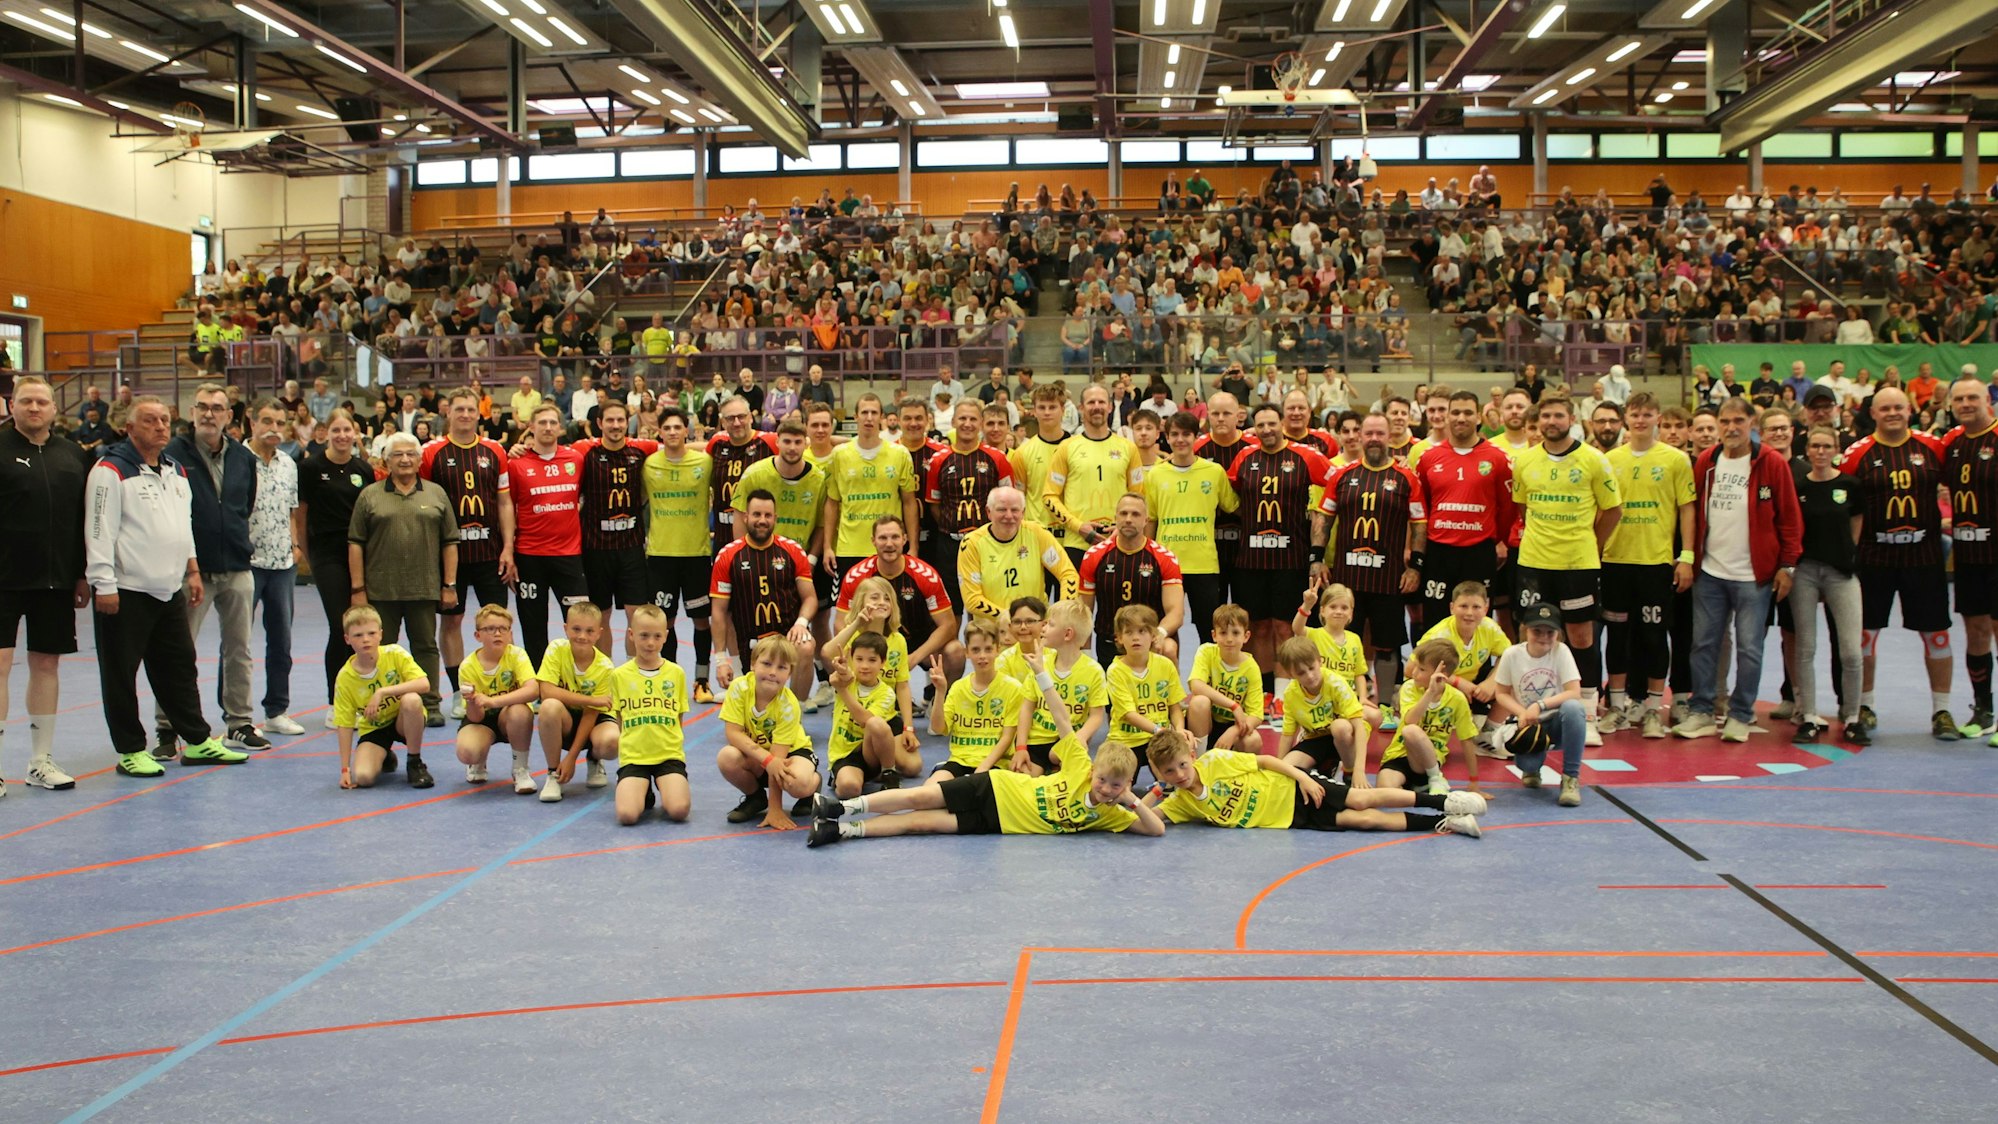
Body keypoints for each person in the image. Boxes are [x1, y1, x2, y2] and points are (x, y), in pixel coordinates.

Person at [804, 644, 1165, 846]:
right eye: (1103, 780)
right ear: (1094, 769)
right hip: (996, 788)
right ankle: (843, 807)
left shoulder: (1113, 813)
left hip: (997, 823)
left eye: (1115, 786)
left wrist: (1130, 799)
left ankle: (841, 830)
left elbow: (1155, 829)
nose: (1105, 789)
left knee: (922, 823)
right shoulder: (1079, 766)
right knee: (918, 797)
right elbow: (1061, 717)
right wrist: (1041, 674)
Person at [86, 396, 250, 777]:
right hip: (125, 590)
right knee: (120, 673)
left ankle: (196, 741)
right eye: (149, 421)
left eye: (164, 419)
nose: (160, 427)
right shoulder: (110, 470)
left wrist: (192, 569)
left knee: (179, 668)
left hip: (169, 589)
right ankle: (130, 749)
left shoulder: (176, 470)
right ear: (129, 428)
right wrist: (103, 584)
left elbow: (183, 526)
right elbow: (98, 531)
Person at [1673, 397, 1803, 742]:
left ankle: (1741, 714)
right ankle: (1701, 710)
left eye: (1738, 422)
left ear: (1752, 424)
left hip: (1754, 576)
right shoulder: (1706, 461)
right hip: (1711, 572)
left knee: (1750, 648)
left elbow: (1790, 519)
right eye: (1725, 422)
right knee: (1703, 644)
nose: (1731, 428)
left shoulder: (1772, 463)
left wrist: (1787, 565)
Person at [153, 383, 268, 755]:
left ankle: (240, 724)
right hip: (190, 571)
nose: (209, 414)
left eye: (217, 408)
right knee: (177, 651)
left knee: (240, 649)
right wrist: (189, 567)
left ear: (229, 416)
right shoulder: (172, 454)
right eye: (202, 407)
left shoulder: (243, 458)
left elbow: (242, 507)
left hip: (236, 565)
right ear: (191, 412)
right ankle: (168, 731)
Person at [1837, 386, 1957, 741]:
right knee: (1865, 636)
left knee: (1936, 635)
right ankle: (1866, 705)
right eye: (1884, 408)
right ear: (1872, 413)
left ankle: (1942, 710)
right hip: (1875, 558)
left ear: (1910, 410)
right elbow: (1843, 510)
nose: (1892, 413)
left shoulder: (1932, 447)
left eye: (1898, 407)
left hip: (1924, 555)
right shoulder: (1856, 454)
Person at [1510, 394, 1620, 745]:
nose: (1551, 421)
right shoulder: (1525, 461)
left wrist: (1590, 544)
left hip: (1578, 564)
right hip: (1534, 563)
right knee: (1531, 636)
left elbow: (1613, 511)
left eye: (1559, 415)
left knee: (1581, 637)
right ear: (1538, 420)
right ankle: (1527, 712)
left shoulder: (1593, 460)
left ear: (1572, 418)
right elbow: (1524, 509)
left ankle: (1586, 714)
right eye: (1546, 416)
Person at [0, 375, 92, 791]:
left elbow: (81, 520)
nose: (33, 408)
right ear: (11, 407)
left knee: (46, 665)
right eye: (25, 402)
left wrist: (81, 572)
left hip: (55, 580)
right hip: (3, 579)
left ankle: (40, 761)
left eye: (41, 402)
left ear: (54, 409)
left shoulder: (72, 455)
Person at [1144, 729, 1486, 837]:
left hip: (1293, 787)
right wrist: (1152, 792)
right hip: (1291, 818)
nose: (1180, 775)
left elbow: (1266, 760)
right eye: (1170, 772)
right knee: (1364, 820)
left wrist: (1302, 777)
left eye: (1182, 765)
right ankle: (1444, 823)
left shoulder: (1216, 761)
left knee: (1362, 800)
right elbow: (1147, 819)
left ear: (1192, 756)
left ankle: (1446, 802)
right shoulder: (1179, 802)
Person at [348, 432, 460, 730]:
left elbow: (450, 541)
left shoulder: (436, 493)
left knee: (425, 646)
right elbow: (355, 543)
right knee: (379, 649)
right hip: (380, 589)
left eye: (411, 453)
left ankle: (430, 702)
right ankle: (379, 706)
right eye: (398, 454)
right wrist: (358, 589)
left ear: (420, 459)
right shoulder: (369, 495)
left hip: (423, 587)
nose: (405, 459)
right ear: (386, 460)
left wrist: (449, 584)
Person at [1598, 392, 1695, 739]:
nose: (1641, 420)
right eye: (1635, 414)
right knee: (1618, 637)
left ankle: (1654, 709)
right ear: (1626, 417)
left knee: (1655, 637)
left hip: (1656, 562)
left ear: (1657, 417)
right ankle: (1618, 707)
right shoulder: (1610, 459)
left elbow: (1687, 508)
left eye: (1647, 414)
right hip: (1615, 562)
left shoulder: (1676, 459)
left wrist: (1686, 557)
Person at [1230, 401, 1335, 700]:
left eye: (1272, 424)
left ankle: (1284, 694)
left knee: (1285, 627)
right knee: (1259, 627)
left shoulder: (1306, 456)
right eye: (1260, 425)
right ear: (1254, 428)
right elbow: (1230, 492)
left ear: (1282, 425)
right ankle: (1263, 693)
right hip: (1250, 560)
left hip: (1291, 558)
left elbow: (1337, 481)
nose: (1266, 430)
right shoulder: (1245, 457)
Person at [1319, 413, 1426, 706]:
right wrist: (1316, 559)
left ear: (1390, 435)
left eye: (1380, 433)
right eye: (1369, 433)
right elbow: (1324, 519)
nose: (1374, 438)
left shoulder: (1406, 478)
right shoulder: (1342, 475)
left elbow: (1419, 525)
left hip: (1389, 576)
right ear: (1361, 438)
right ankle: (1342, 700)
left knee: (1387, 644)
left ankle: (1386, 705)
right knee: (1341, 642)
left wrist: (1415, 566)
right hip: (1347, 579)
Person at [421, 389, 515, 721]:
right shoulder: (431, 453)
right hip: (450, 556)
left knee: (499, 622)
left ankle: (504, 689)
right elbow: (423, 506)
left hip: (490, 553)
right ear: (448, 412)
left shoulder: (495, 450)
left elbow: (505, 502)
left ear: (479, 414)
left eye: (470, 409)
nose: (464, 414)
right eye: (458, 408)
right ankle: (461, 694)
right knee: (452, 621)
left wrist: (508, 547)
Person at [1409, 390, 1512, 636]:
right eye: (1455, 412)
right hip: (1439, 552)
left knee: (1475, 622)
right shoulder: (1429, 458)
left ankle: (1478, 675)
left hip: (1479, 553)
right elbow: (1421, 508)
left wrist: (1498, 540)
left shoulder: (1498, 459)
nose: (1461, 418)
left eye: (1468, 412)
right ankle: (1433, 673)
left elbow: (1507, 507)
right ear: (1446, 417)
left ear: (1479, 417)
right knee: (1435, 621)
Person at [1787, 425, 1865, 745]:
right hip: (1805, 571)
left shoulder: (1849, 485)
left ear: (1836, 449)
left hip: (1841, 573)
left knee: (1850, 651)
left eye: (1826, 446)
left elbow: (1856, 522)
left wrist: (1848, 552)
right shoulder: (1799, 486)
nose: (1820, 451)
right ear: (1808, 450)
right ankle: (1808, 715)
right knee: (1805, 648)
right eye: (1815, 446)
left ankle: (1852, 716)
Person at [300, 411, 380, 718]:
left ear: (356, 433)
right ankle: (337, 703)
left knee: (361, 627)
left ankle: (361, 698)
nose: (342, 435)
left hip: (359, 551)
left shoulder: (363, 469)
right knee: (341, 626)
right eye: (336, 430)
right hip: (326, 552)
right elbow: (302, 513)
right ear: (326, 432)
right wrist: (306, 551)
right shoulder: (310, 467)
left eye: (348, 429)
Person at [568, 399, 657, 662]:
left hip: (631, 547)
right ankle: (605, 674)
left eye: (620, 420)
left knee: (637, 614)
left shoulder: (641, 450)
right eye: (610, 420)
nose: (616, 425)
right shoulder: (584, 452)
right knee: (600, 616)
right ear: (599, 423)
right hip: (596, 548)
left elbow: (678, 448)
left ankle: (633, 674)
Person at [586, 603, 691, 825]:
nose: (650, 643)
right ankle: (644, 790)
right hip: (635, 756)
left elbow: (678, 719)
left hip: (668, 755)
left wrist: (670, 745)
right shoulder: (619, 675)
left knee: (679, 810)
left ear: (666, 637)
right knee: (627, 816)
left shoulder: (676, 673)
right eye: (643, 636)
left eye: (656, 636)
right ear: (631, 635)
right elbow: (620, 720)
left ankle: (664, 784)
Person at [710, 489, 819, 699]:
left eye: (768, 515)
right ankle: (745, 684)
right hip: (750, 642)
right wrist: (721, 660)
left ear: (775, 518)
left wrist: (801, 623)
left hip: (787, 635)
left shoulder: (792, 550)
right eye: (757, 514)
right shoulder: (728, 555)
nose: (762, 520)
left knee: (806, 646)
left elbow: (810, 598)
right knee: (757, 714)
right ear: (746, 517)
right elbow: (719, 611)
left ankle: (796, 709)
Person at [642, 407, 719, 700]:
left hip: (696, 554)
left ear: (686, 430)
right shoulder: (649, 465)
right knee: (666, 622)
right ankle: (670, 680)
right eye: (668, 428)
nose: (673, 432)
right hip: (661, 555)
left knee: (701, 620)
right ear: (659, 432)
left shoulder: (705, 462)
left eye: (678, 427)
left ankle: (701, 681)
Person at [1145, 411, 1240, 645]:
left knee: (1208, 630)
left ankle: (1207, 679)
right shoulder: (1155, 475)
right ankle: (1170, 679)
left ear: (1196, 437)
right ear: (1166, 437)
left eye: (1186, 434)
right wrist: (1147, 558)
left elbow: (1234, 506)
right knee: (1164, 630)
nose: (1180, 440)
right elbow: (1151, 520)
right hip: (1166, 565)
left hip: (1204, 563)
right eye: (1174, 434)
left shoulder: (1214, 472)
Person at [506, 403, 589, 663]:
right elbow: (507, 506)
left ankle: (577, 684)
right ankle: (539, 688)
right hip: (529, 556)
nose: (548, 427)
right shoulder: (516, 464)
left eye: (553, 422)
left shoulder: (575, 458)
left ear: (561, 428)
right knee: (533, 628)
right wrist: (508, 550)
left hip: (569, 556)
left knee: (580, 624)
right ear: (531, 427)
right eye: (542, 423)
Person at [245, 398, 307, 737]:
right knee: (238, 643)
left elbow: (292, 510)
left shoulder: (288, 463)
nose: (273, 427)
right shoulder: (239, 460)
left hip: (283, 563)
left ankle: (276, 710)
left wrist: (296, 546)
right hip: (247, 564)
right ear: (252, 423)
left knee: (280, 641)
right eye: (266, 420)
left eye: (279, 422)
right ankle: (235, 717)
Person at [717, 634, 823, 826]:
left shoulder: (789, 705)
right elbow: (733, 733)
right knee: (727, 757)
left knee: (797, 783)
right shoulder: (739, 688)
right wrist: (767, 760)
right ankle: (755, 798)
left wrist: (777, 809)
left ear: (789, 673)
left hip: (791, 752)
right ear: (752, 665)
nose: (773, 672)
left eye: (781, 667)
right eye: (766, 664)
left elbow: (778, 759)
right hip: (762, 755)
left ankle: (813, 786)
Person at [1943, 377, 1998, 738]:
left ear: (1987, 400)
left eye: (1972, 397)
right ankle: (1983, 711)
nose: (1966, 403)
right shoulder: (1953, 444)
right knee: (1975, 631)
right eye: (1959, 398)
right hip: (1968, 554)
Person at [1490, 603, 1587, 807]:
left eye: (1550, 632)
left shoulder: (1561, 652)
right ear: (1525, 629)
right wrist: (1522, 713)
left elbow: (1574, 691)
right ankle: (1532, 768)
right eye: (1537, 631)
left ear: (1558, 633)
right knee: (1528, 765)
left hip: (1556, 720)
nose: (1544, 637)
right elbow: (1501, 693)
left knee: (1574, 709)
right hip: (1528, 723)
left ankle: (1570, 778)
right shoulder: (1512, 654)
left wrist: (1540, 705)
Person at [330, 605, 432, 789]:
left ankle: (414, 762)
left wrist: (383, 692)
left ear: (381, 634)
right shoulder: (345, 678)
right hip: (374, 727)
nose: (366, 640)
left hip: (402, 720)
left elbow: (424, 684)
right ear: (347, 639)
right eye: (358, 635)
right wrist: (344, 769)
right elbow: (344, 724)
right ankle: (384, 754)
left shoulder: (395, 653)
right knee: (363, 777)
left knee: (412, 700)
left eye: (371, 633)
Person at [824, 392, 921, 584]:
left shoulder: (899, 454)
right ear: (856, 416)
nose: (869, 418)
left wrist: (914, 546)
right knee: (851, 610)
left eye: (874, 413)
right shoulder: (839, 455)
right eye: (864, 412)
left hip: (889, 547)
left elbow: (909, 503)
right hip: (849, 547)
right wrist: (828, 546)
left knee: (891, 608)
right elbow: (832, 503)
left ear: (882, 417)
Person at [1078, 493, 1184, 664]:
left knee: (1169, 648)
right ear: (1115, 518)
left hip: (1150, 640)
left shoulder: (1164, 557)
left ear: (1146, 521)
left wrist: (1159, 634)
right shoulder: (1094, 555)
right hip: (1109, 640)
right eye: (1123, 513)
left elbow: (1176, 613)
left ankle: (1173, 690)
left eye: (1135, 514)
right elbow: (1084, 611)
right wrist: (1085, 653)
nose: (1128, 519)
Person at [1043, 384, 1141, 568]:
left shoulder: (1128, 448)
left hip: (1119, 542)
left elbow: (1138, 496)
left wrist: (1122, 527)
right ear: (1081, 408)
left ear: (1110, 407)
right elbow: (1049, 496)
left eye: (1102, 402)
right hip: (1077, 544)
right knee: (1077, 599)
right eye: (1091, 402)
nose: (1097, 406)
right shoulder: (1066, 447)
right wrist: (1078, 526)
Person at [1375, 638, 1483, 797]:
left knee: (1412, 731)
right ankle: (1419, 789)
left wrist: (1474, 781)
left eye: (1422, 669)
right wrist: (1430, 693)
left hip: (1427, 761)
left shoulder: (1457, 699)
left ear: (1442, 674)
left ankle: (1434, 778)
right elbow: (1411, 719)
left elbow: (1466, 739)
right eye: (1416, 666)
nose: (1414, 673)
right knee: (1385, 791)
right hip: (1400, 754)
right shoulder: (1409, 688)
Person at [921, 618, 1026, 781]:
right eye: (976, 650)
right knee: (927, 793)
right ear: (967, 653)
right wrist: (940, 691)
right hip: (959, 761)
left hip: (995, 765)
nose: (982, 656)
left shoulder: (1013, 689)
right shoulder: (958, 688)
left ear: (997, 650)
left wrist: (983, 767)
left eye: (988, 649)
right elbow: (938, 728)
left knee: (964, 800)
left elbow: (1007, 738)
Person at [955, 485, 1076, 623]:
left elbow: (1068, 573)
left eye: (1015, 510)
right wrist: (1012, 619)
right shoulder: (971, 543)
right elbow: (972, 600)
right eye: (1001, 509)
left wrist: (1062, 611)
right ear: (988, 512)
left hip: (1034, 626)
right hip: (993, 631)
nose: (1009, 516)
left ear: (1023, 512)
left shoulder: (1036, 533)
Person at [452, 603, 538, 790]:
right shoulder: (468, 666)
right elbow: (475, 717)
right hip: (483, 719)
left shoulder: (517, 655)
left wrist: (493, 701)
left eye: (502, 629)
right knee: (467, 752)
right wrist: (473, 701)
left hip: (509, 716)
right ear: (478, 635)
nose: (497, 633)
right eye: (490, 629)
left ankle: (520, 769)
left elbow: (532, 690)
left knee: (520, 711)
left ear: (509, 634)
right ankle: (478, 761)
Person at [1185, 603, 1263, 750]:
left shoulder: (1251, 667)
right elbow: (1196, 685)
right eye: (1223, 633)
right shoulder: (1206, 651)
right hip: (1207, 722)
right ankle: (1200, 763)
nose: (1229, 639)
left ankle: (1241, 772)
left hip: (1233, 725)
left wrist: (1234, 731)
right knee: (1199, 702)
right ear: (1214, 635)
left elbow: (1256, 715)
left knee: (1254, 740)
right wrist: (1232, 705)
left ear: (1246, 636)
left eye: (1235, 633)